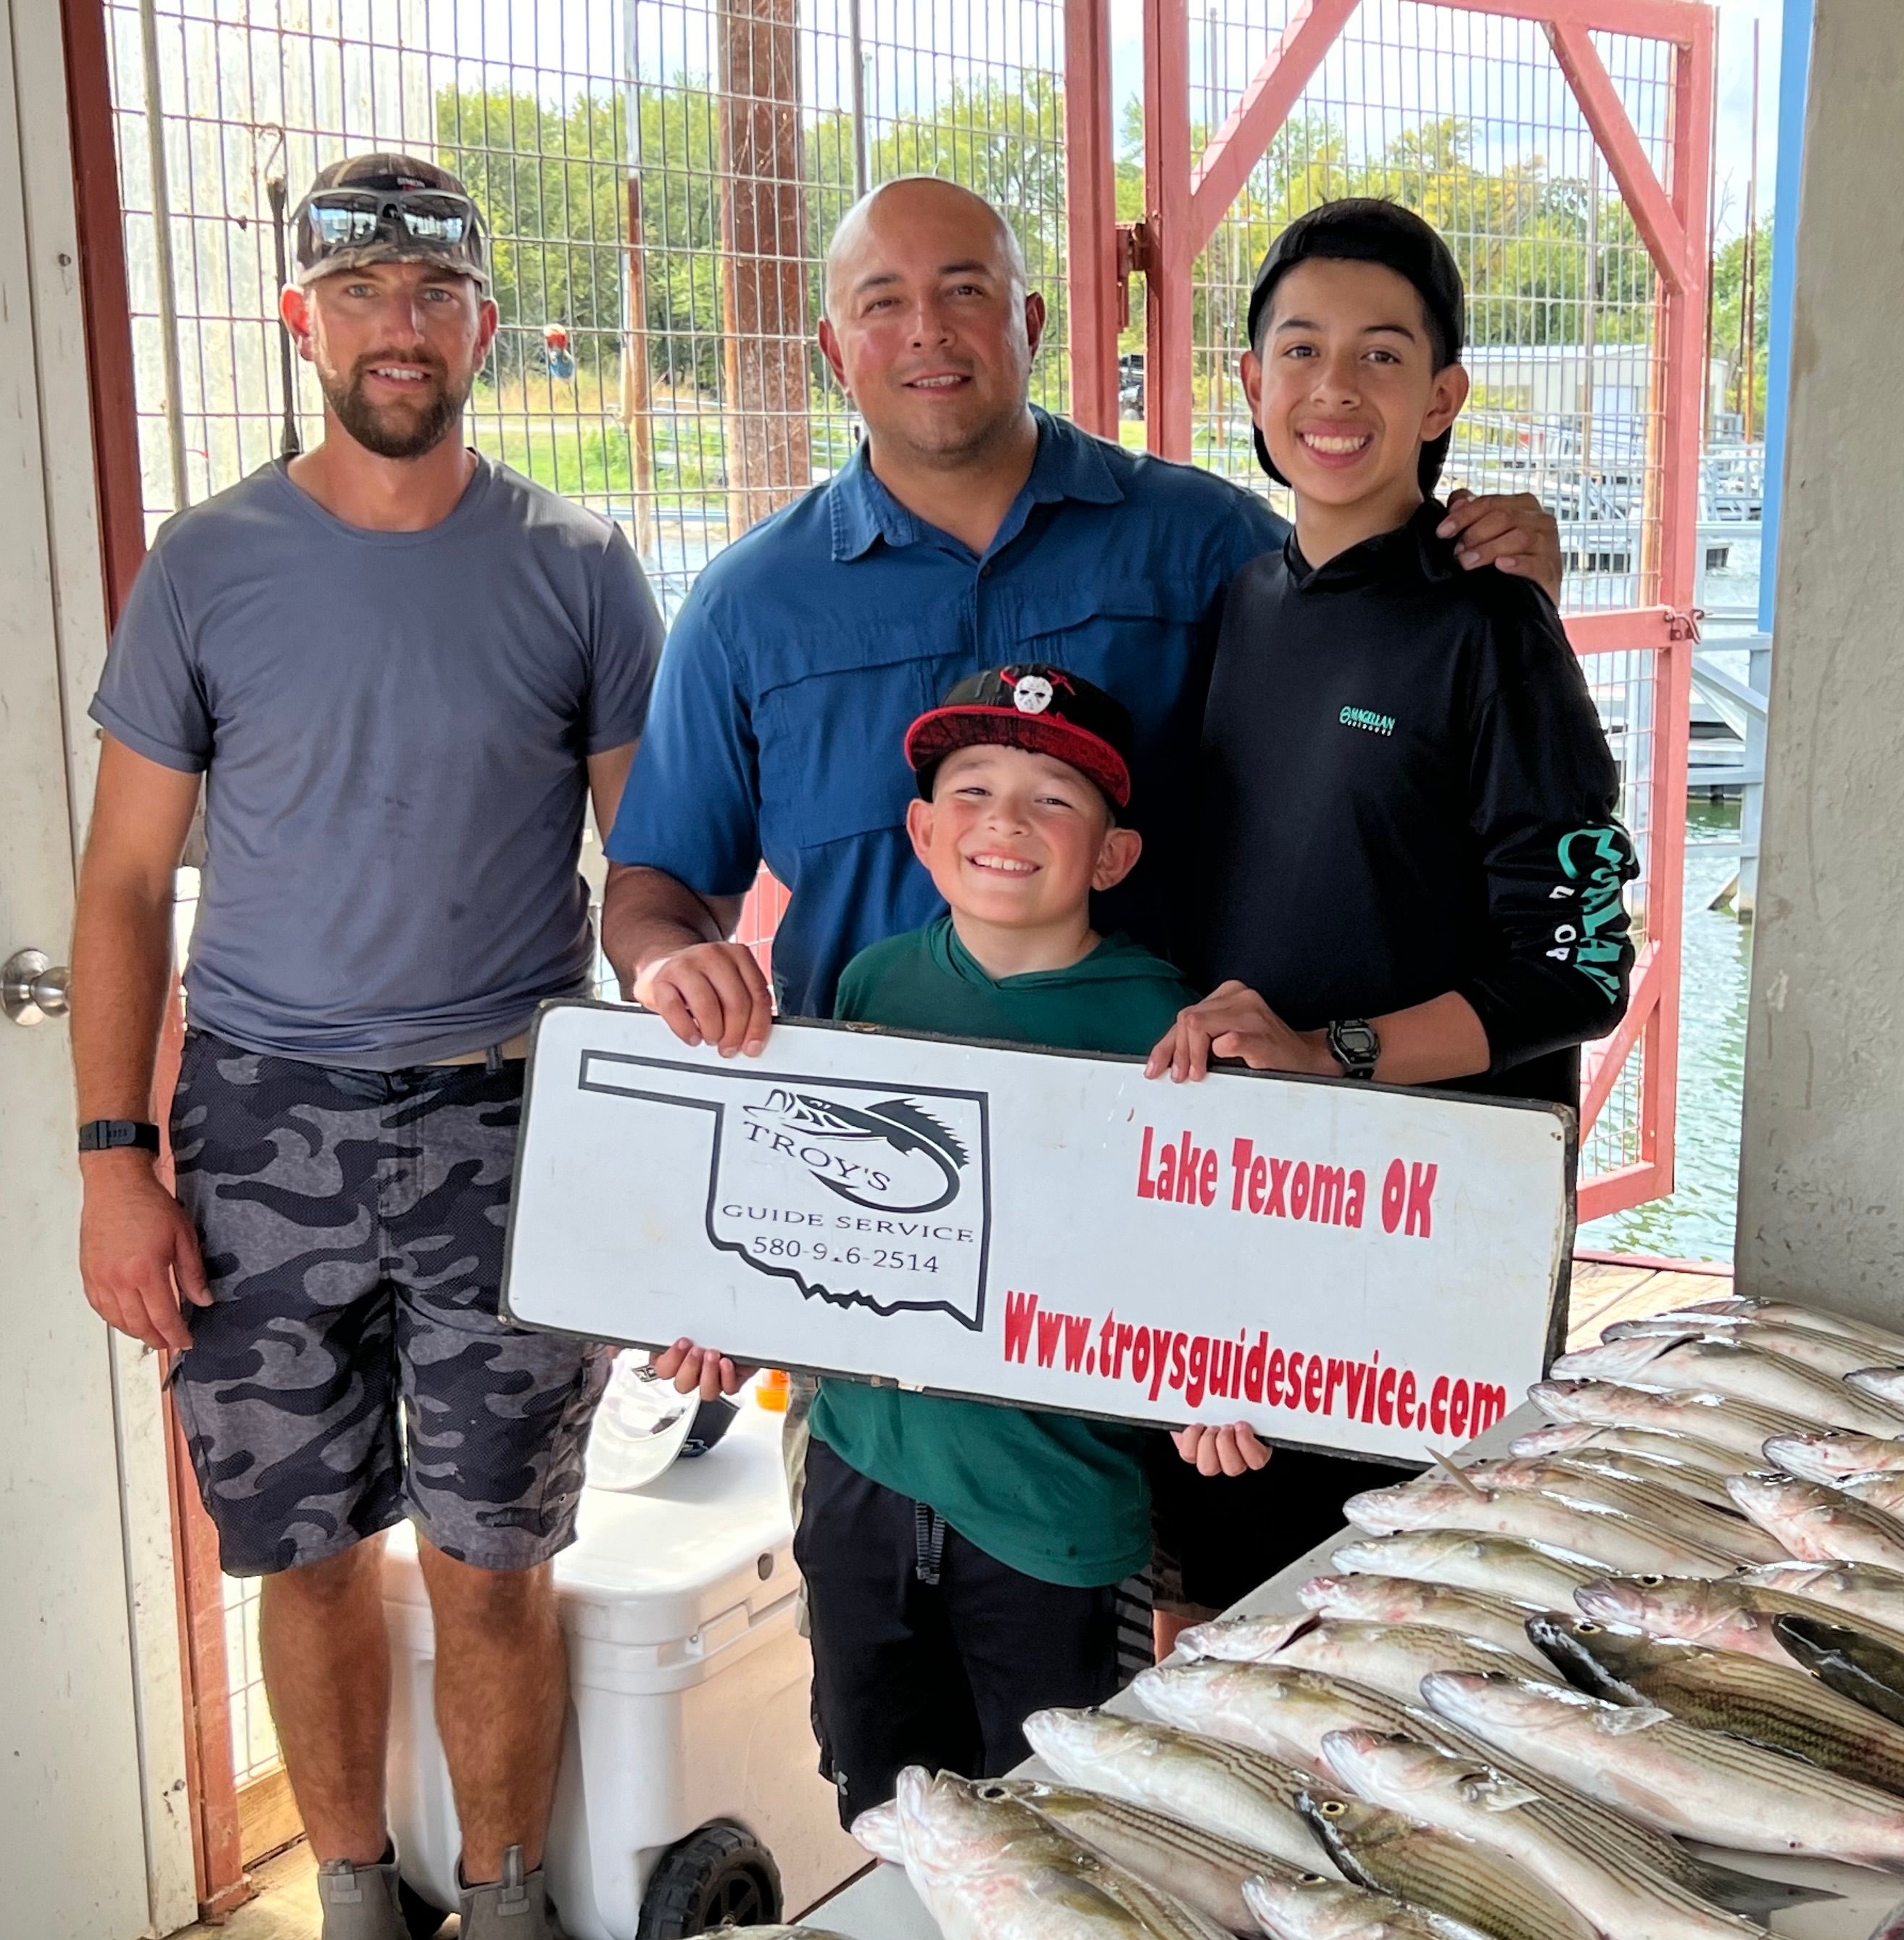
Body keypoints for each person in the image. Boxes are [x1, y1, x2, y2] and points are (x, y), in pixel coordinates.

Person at [600, 173, 1562, 1616]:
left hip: (1157, 1207)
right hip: (886, 1226)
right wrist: (670, 966)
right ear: (832, 348)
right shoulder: (749, 605)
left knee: (1197, 1608)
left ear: (1032, 321)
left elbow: (1384, 617)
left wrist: (1505, 572)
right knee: (905, 1648)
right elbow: (654, 889)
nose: (930, 333)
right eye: (885, 303)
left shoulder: (1202, 545)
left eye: (968, 292)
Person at [68, 154, 653, 1940]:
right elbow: (126, 878)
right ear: (301, 323)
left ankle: (500, 1918)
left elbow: (650, 876)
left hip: (516, 1115)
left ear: (484, 320)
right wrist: (111, 1156)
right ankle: (355, 1919)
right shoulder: (209, 566)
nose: (399, 324)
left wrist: (701, 1168)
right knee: (304, 1554)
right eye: (360, 292)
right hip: (258, 1123)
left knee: (500, 1555)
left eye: (434, 291)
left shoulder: (580, 565)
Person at [1143, 197, 1639, 1616]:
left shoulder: (1495, 625)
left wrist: (1334, 1052)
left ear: (1444, 397)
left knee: (1406, 1642)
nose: (1334, 390)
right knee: (1224, 1616)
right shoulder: (1240, 603)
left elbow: (1580, 966)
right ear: (1248, 383)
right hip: (1251, 1213)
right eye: (1299, 350)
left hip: (1426, 1237)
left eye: (1380, 355)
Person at [669, 665, 1199, 1820]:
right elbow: (812, 1221)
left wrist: (1214, 1376)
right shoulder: (873, 984)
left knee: (1059, 1820)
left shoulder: (1167, 1027)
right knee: (884, 1798)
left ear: (1112, 857)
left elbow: (1198, 1252)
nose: (1006, 822)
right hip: (861, 1481)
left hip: (1054, 1509)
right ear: (920, 831)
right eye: (972, 789)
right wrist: (730, 1322)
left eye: (1055, 799)